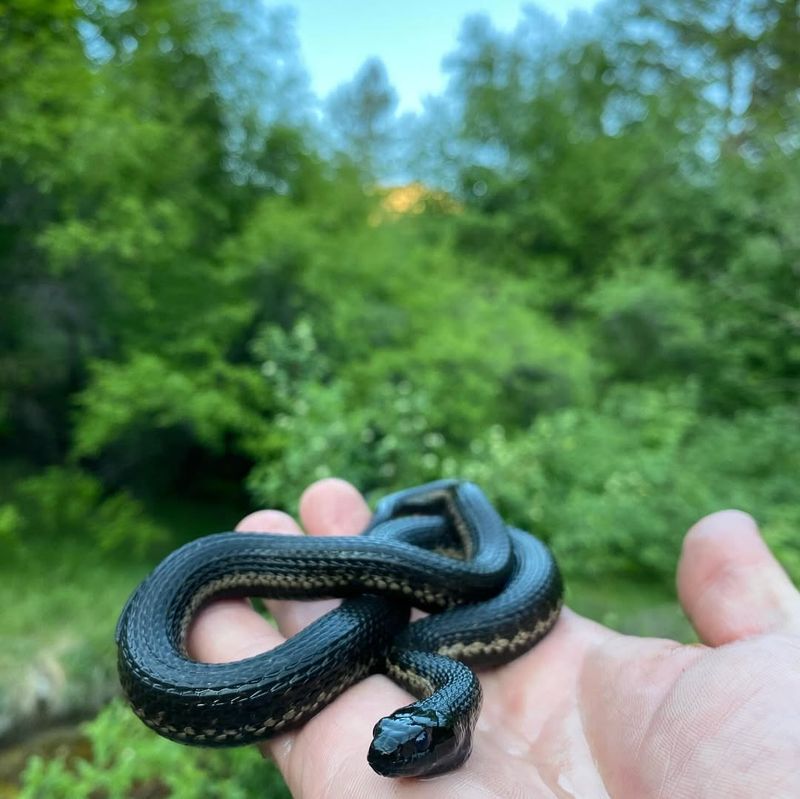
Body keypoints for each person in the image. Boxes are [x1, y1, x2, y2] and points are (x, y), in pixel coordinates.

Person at [188, 478, 800, 798]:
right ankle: (397, 529)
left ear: (449, 726)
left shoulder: (438, 656)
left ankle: (410, 528)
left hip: (491, 574)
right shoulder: (428, 671)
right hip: (428, 589)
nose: (384, 757)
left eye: (405, 747)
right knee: (390, 584)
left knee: (485, 564)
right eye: (392, 743)